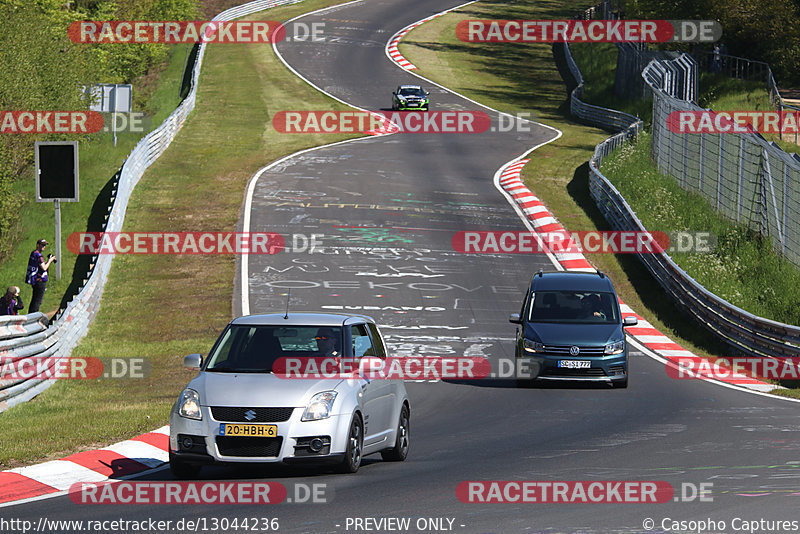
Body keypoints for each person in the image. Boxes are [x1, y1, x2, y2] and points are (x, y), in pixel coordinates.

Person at [26, 239, 56, 313]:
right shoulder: (39, 256)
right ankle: (33, 316)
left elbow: (39, 265)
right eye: (42, 245)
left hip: (34, 280)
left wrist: (47, 261)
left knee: (34, 299)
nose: (44, 247)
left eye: (45, 245)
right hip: (39, 281)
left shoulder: (33, 253)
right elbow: (44, 268)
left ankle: (30, 315)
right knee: (37, 301)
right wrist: (50, 260)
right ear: (38, 245)